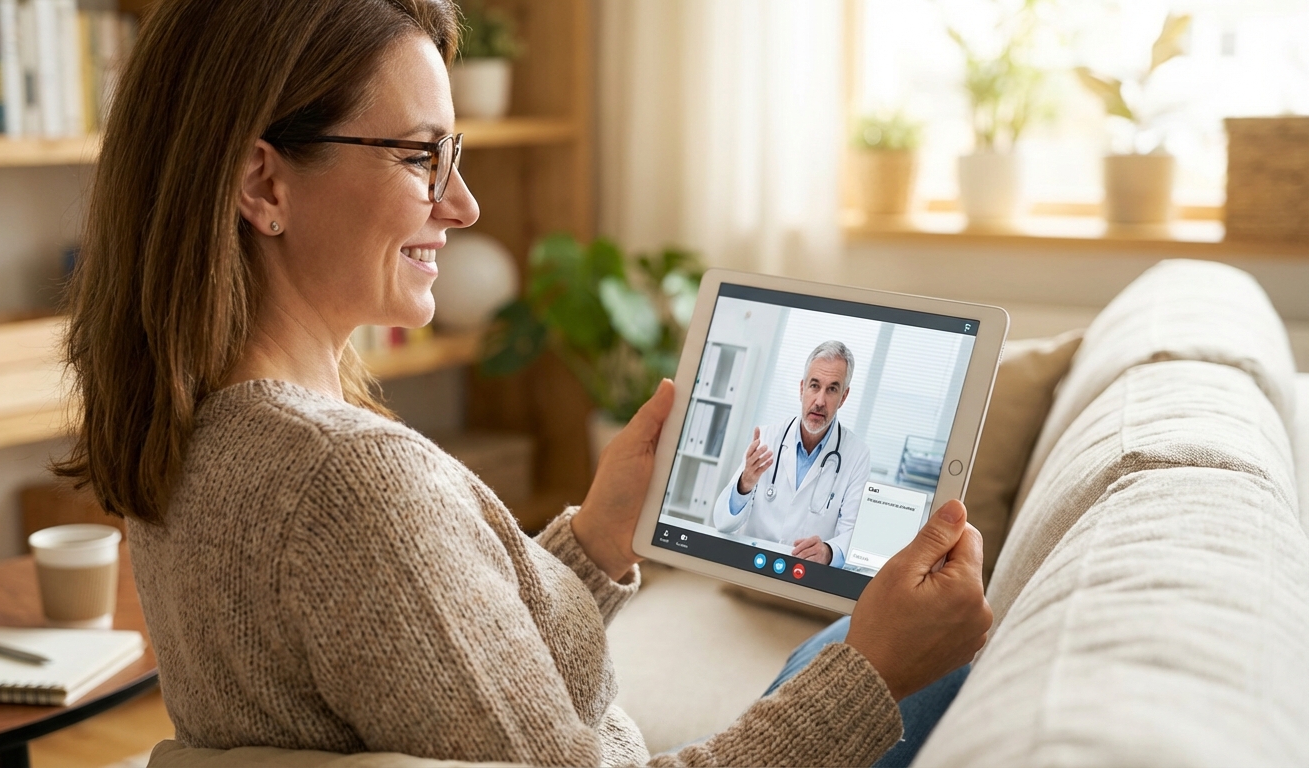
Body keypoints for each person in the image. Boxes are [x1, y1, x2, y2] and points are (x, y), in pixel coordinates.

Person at [56, 1, 992, 766]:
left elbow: (437, 676)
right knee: (932, 654)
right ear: (263, 185)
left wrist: (593, 536)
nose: (461, 204)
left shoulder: (190, 431)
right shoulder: (349, 485)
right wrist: (872, 673)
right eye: (422, 157)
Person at [711, 341, 872, 567]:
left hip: (805, 577)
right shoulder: (767, 438)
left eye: (832, 389)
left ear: (843, 397)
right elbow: (722, 522)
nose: (819, 401)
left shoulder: (857, 455)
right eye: (814, 386)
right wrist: (745, 483)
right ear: (802, 389)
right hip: (752, 569)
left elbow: (853, 535)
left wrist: (828, 552)